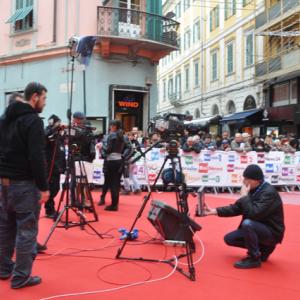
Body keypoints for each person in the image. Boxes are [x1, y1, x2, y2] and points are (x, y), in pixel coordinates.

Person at [0, 82, 49, 288]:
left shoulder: (4, 119)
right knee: (26, 230)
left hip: (3, 183)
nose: (45, 104)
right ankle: (21, 277)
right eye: (44, 99)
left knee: (5, 227)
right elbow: (36, 157)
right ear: (35, 97)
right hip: (24, 185)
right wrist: (44, 187)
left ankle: (3, 269)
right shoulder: (33, 121)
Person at [204, 164, 285, 269]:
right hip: (259, 228)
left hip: (272, 232)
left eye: (246, 179)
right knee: (229, 239)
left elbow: (254, 214)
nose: (243, 181)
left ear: (256, 180)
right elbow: (236, 208)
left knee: (247, 223)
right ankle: (262, 249)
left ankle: (254, 258)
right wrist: (214, 211)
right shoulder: (253, 189)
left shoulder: (269, 193)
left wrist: (244, 197)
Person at [101, 120, 132, 211]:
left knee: (112, 184)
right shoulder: (122, 135)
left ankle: (114, 205)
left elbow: (108, 149)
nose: (110, 127)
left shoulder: (112, 136)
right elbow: (130, 148)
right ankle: (114, 204)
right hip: (119, 161)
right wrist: (123, 157)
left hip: (111, 161)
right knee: (116, 183)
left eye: (111, 125)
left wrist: (102, 147)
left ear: (114, 126)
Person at [44, 115, 65, 218]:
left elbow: (61, 150)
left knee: (56, 188)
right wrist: (55, 128)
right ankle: (49, 209)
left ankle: (50, 208)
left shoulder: (58, 135)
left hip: (57, 165)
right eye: (58, 123)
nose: (59, 125)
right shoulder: (48, 131)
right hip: (50, 165)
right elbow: (45, 136)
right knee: (51, 188)